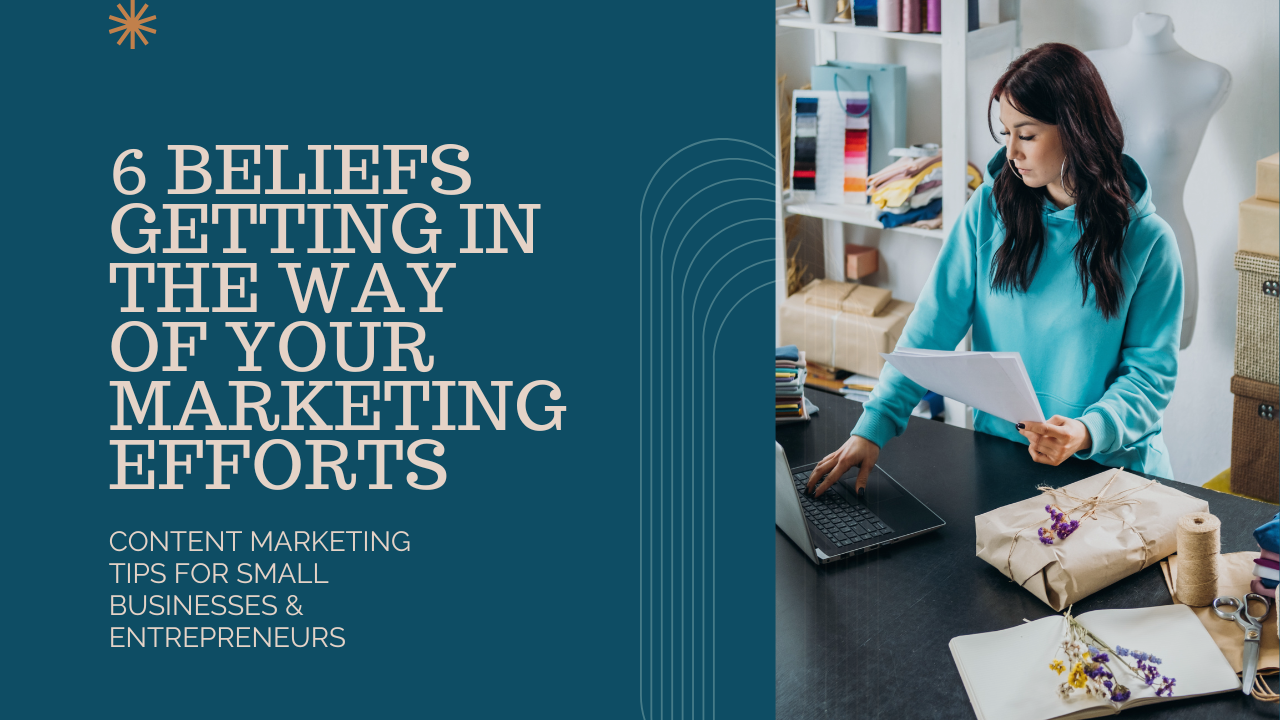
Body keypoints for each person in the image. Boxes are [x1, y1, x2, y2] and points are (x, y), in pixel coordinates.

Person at [806, 43, 1183, 498]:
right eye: (1005, 133)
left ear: (1077, 130)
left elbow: (1149, 377)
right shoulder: (988, 209)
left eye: (1026, 134)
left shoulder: (1149, 242)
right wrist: (873, 427)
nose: (1011, 152)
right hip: (1003, 458)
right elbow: (931, 328)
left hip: (1110, 472)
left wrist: (1085, 431)